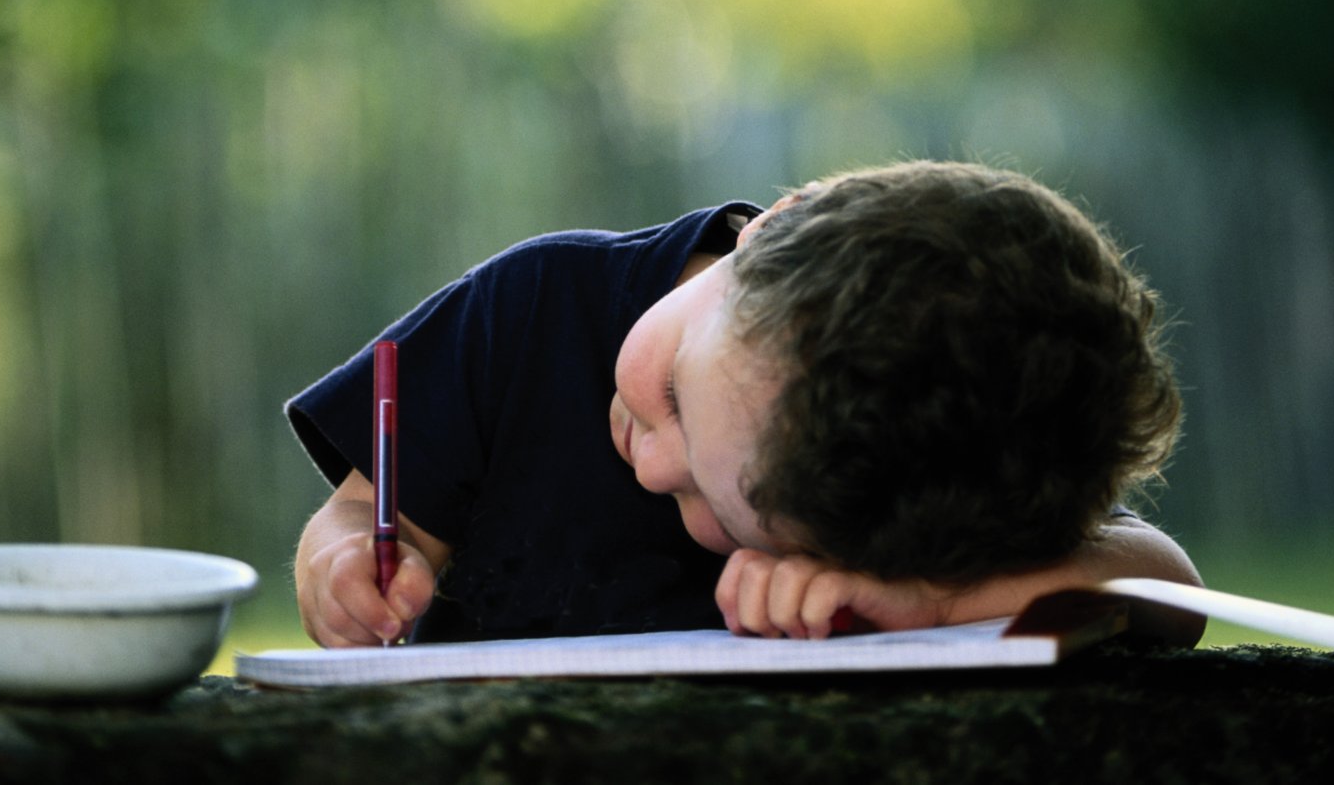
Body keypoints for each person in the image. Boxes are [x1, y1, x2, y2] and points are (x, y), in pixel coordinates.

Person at [289, 161, 1203, 648]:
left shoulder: (926, 464)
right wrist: (347, 564)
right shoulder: (527, 309)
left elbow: (1165, 585)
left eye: (714, 508)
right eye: (677, 392)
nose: (650, 461)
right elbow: (356, 513)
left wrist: (919, 594)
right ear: (769, 225)